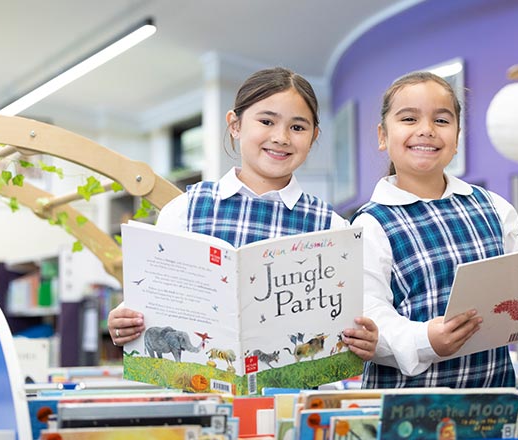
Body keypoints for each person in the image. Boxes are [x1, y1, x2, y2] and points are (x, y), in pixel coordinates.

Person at [108, 67, 377, 361]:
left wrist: (364, 338)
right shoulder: (184, 210)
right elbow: (157, 302)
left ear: (313, 137)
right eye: (266, 121)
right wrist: (127, 321)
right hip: (199, 394)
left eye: (298, 127)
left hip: (293, 400)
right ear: (235, 125)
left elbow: (349, 320)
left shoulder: (333, 228)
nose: (281, 137)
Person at [351, 71, 518, 388]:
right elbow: (370, 319)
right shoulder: (370, 224)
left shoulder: (491, 205)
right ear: (383, 136)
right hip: (409, 408)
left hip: (493, 397)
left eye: (441, 121)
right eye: (409, 119)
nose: (426, 131)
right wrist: (428, 340)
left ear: (457, 137)